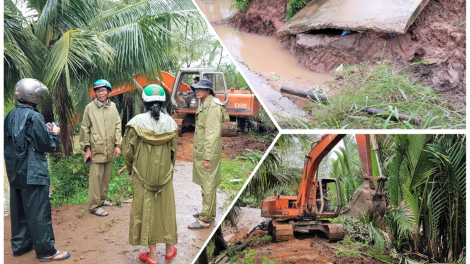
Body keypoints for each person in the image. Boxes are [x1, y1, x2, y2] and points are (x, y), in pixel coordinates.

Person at [4, 78, 70, 261]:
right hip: (33, 172)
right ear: (32, 95)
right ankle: (47, 252)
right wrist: (54, 133)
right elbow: (45, 144)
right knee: (38, 212)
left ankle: (21, 245)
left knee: (19, 211)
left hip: (15, 171)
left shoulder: (9, 115)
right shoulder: (34, 116)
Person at [122, 84, 179, 264]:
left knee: (146, 211)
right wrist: (168, 170)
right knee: (166, 209)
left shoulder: (135, 123)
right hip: (164, 175)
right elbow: (173, 152)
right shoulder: (171, 123)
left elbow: (128, 152)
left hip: (142, 175)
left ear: (143, 101)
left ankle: (152, 256)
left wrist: (131, 168)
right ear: (162, 102)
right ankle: (169, 249)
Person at [188, 79, 229, 229]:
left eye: (200, 89)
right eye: (196, 89)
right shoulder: (206, 104)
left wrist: (207, 156)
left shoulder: (213, 106)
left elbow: (212, 133)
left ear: (208, 91)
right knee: (208, 182)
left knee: (207, 183)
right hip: (205, 150)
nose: (196, 91)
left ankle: (205, 220)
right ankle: (209, 212)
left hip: (208, 152)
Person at [79, 79, 122, 217]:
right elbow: (85, 129)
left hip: (109, 148)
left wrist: (118, 145)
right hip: (96, 148)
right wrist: (87, 149)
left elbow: (117, 125)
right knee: (95, 179)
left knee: (105, 177)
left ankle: (102, 200)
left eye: (103, 90)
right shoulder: (89, 108)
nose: (101, 93)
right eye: (98, 91)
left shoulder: (113, 106)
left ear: (108, 92)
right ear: (95, 93)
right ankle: (94, 206)